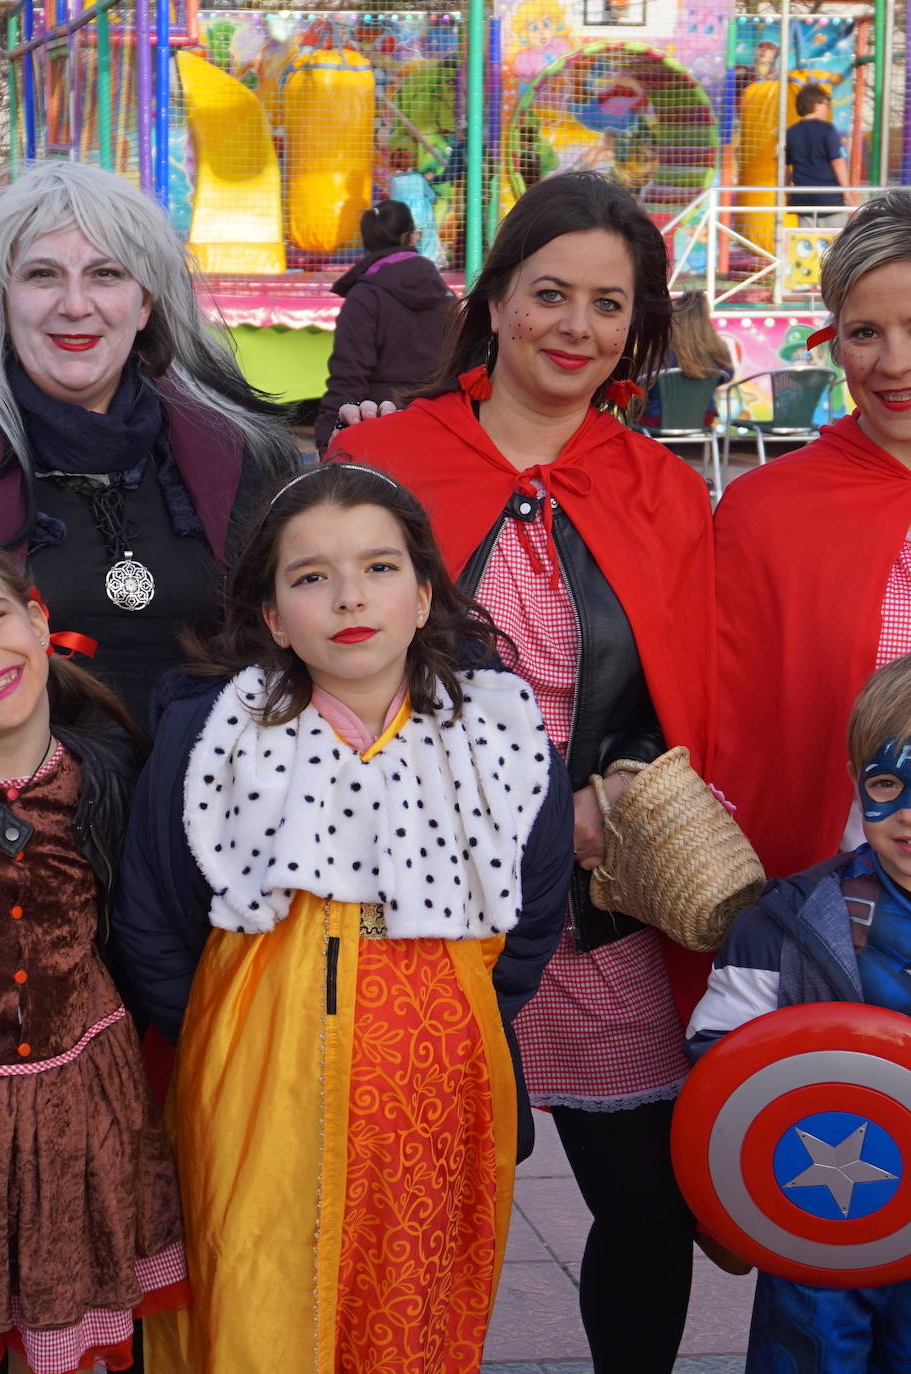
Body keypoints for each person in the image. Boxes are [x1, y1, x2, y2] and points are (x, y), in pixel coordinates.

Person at [330, 170, 718, 1373]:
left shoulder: (657, 487)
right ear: (495, 298)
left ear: (635, 328)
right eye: (548, 293)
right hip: (422, 909)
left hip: (599, 907)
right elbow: (321, 677)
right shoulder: (380, 465)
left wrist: (622, 787)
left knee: (649, 1209)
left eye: (607, 306)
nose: (574, 328)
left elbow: (688, 684)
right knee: (418, 1213)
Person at [111, 461, 574, 1373]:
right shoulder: (216, 742)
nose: (349, 597)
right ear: (275, 617)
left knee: (414, 1304)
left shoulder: (499, 741)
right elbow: (154, 922)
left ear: (424, 592)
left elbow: (531, 919)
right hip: (253, 1091)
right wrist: (228, 1042)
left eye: (379, 567)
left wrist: (450, 1022)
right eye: (311, 576)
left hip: (441, 1086)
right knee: (253, 1295)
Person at [0, 160, 299, 733]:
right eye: (42, 275)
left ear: (144, 305)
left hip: (212, 803)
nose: (76, 304)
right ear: (4, 303)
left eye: (106, 274)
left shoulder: (242, 457)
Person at [686, 652, 911, 1373]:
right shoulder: (780, 924)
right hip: (821, 1208)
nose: (908, 812)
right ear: (858, 786)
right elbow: (721, 1066)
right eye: (888, 785)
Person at [0, 550, 188, 1374]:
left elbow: (152, 926)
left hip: (86, 1105)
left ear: (39, 622)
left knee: (88, 1336)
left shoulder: (111, 774)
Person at [714, 190, 911, 883]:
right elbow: (722, 722)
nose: (894, 363)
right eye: (865, 333)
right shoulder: (764, 509)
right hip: (822, 909)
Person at [313, 200, 453, 454]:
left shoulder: (364, 297)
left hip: (378, 429)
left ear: (367, 241)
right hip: (437, 428)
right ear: (411, 237)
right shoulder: (445, 296)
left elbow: (348, 378)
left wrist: (327, 443)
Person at [640, 290, 733, 428]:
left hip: (657, 418)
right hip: (702, 418)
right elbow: (728, 376)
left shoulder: (659, 349)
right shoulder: (717, 348)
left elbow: (641, 379)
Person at [785, 82, 854, 227]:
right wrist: (848, 195)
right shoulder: (828, 130)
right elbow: (838, 163)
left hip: (803, 200)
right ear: (815, 104)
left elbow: (786, 168)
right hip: (829, 199)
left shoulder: (790, 133)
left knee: (806, 245)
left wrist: (786, 193)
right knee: (835, 244)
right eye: (825, 104)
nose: (827, 108)